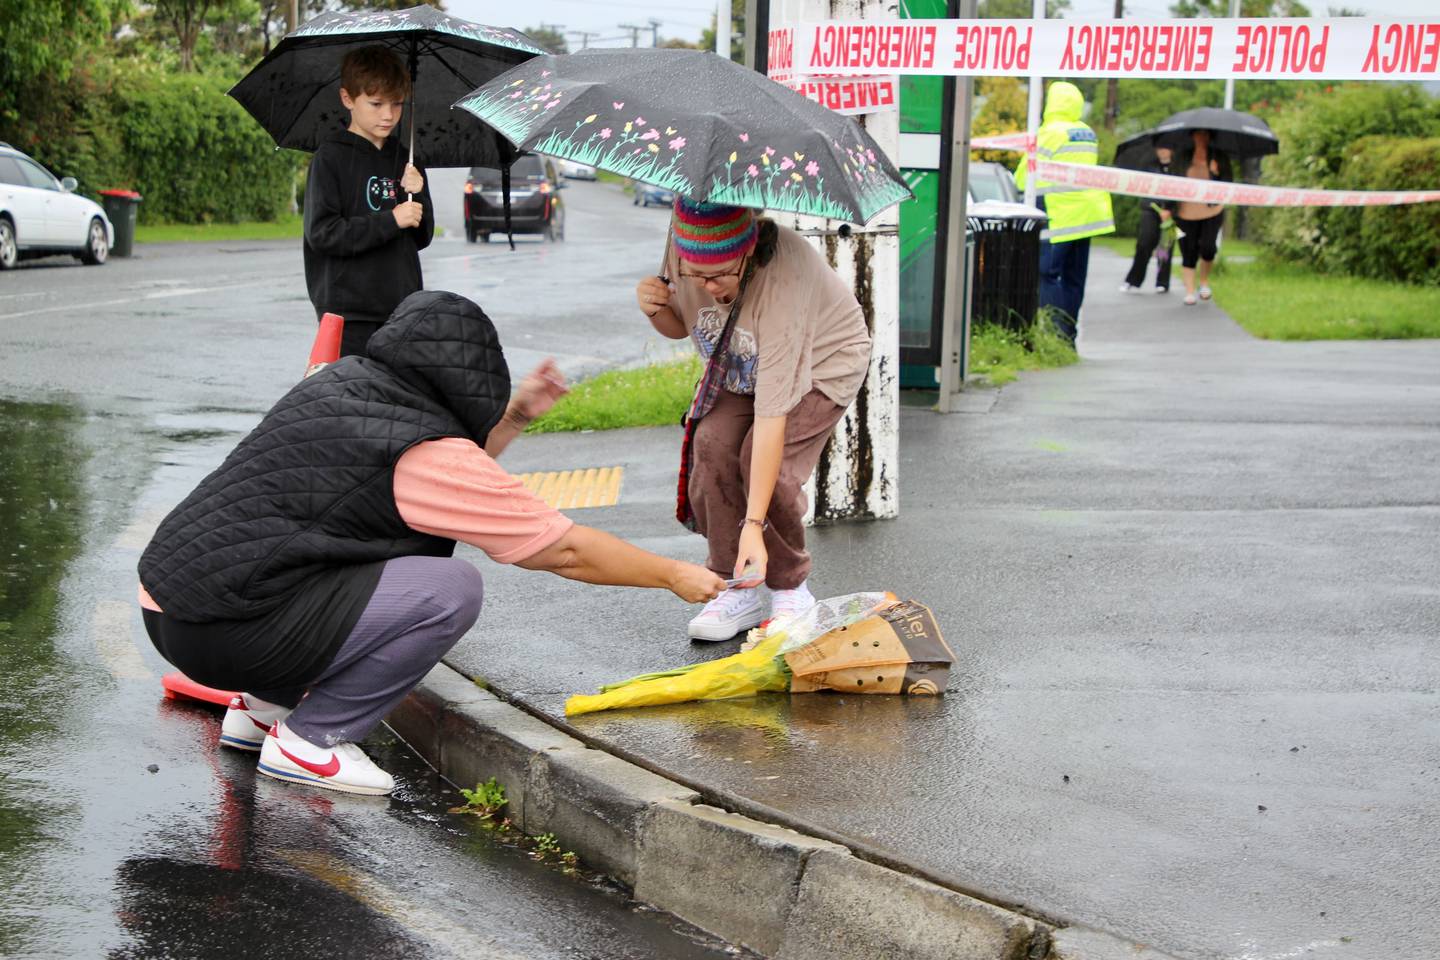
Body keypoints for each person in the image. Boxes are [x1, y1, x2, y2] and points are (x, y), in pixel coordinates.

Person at [138, 291, 725, 796]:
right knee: (449, 589)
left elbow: (435, 480)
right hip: (225, 630)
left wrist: (517, 416)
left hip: (170, 606)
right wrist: (673, 574)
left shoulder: (343, 384)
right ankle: (311, 741)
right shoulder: (420, 450)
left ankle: (261, 711)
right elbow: (562, 548)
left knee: (332, 562)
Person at [633, 200, 871, 643]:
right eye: (697, 276)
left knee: (767, 468)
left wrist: (754, 526)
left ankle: (790, 587)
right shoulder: (683, 243)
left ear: (748, 250)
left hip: (822, 364)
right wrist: (654, 308)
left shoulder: (784, 278)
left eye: (721, 274)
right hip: (739, 365)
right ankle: (735, 585)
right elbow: (684, 323)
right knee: (712, 446)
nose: (709, 286)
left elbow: (771, 419)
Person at [303, 46, 434, 358]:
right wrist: (391, 220)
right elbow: (323, 234)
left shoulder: (406, 158)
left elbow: (421, 236)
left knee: (397, 400)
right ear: (348, 99)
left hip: (401, 308)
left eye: (397, 104)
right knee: (351, 400)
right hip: (349, 312)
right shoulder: (330, 157)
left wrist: (418, 192)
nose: (388, 115)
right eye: (375, 104)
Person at [1013, 81, 1115, 344]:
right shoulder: (1087, 132)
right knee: (1074, 277)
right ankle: (1068, 334)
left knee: (1047, 273)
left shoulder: (1049, 132)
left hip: (1060, 215)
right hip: (1088, 215)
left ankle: (1053, 332)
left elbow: (1026, 176)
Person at [1173, 129, 1232, 307]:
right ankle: (1190, 291)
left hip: (1211, 210)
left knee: (1208, 247)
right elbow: (1171, 181)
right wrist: (1167, 208)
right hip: (1185, 210)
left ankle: (1204, 282)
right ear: (1192, 136)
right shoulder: (1182, 156)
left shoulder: (1219, 156)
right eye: (1198, 134)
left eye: (1205, 134)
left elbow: (1228, 182)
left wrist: (1216, 173)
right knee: (1188, 250)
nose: (1201, 138)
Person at [1119, 144, 1177, 294]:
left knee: (1165, 248)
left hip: (1170, 214)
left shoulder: (1178, 168)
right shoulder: (1149, 166)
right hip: (1150, 209)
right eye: (1160, 148)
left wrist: (1170, 209)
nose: (1163, 150)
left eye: (1165, 148)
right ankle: (1133, 280)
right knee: (1144, 243)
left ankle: (1162, 282)